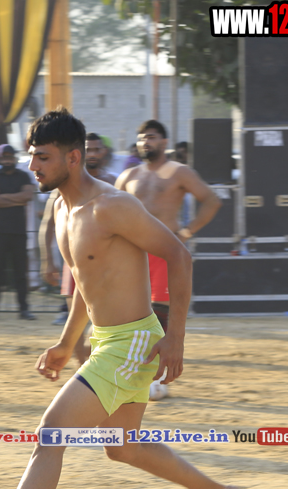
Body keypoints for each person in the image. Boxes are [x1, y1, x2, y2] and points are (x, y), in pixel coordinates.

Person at [0, 109, 241, 489]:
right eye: (32, 156)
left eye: (43, 157)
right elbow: (86, 279)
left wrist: (176, 337)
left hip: (134, 342)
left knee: (51, 434)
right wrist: (66, 342)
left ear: (73, 158)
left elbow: (179, 256)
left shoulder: (111, 206)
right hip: (107, 340)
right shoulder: (61, 208)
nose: (33, 166)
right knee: (123, 447)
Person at [116, 119, 222, 399]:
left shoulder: (178, 172)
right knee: (131, 313)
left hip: (164, 251)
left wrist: (186, 232)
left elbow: (212, 200)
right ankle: (131, 371)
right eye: (142, 138)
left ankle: (158, 377)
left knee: (160, 315)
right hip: (134, 254)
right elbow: (111, 211)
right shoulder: (128, 176)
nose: (145, 142)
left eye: (151, 137)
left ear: (164, 142)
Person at [0, 144, 35, 320]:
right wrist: (16, 199)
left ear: (14, 158)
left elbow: (28, 196)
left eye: (10, 157)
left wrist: (3, 197)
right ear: (0, 159)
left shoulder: (23, 176)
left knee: (21, 273)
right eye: (4, 157)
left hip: (19, 232)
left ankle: (24, 309)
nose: (7, 160)